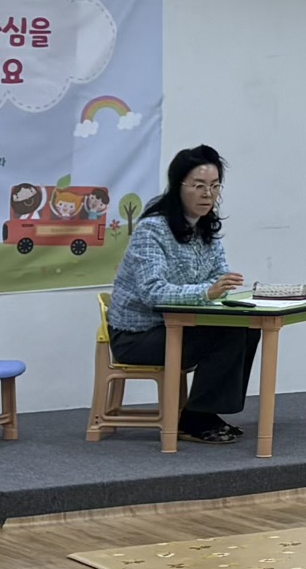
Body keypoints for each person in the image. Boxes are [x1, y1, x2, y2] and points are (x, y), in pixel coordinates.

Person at [105, 146, 257, 445]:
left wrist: (217, 288)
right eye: (199, 186)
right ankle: (196, 419)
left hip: (178, 326)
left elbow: (219, 275)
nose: (208, 194)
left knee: (248, 326)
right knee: (228, 334)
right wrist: (206, 292)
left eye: (214, 186)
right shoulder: (152, 229)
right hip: (137, 336)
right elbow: (153, 292)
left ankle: (205, 413)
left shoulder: (205, 227)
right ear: (178, 186)